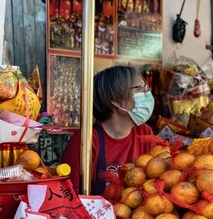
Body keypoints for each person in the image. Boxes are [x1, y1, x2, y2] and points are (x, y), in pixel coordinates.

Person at [62, 65, 156, 195]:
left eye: (146, 88)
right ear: (115, 100)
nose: (147, 94)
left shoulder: (145, 133)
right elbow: (72, 197)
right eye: (140, 88)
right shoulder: (86, 142)